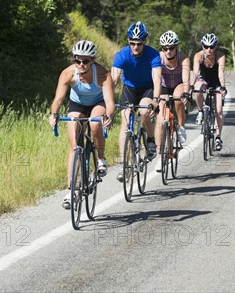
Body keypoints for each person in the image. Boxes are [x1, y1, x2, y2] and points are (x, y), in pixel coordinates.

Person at [49, 40, 115, 209]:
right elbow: (58, 99)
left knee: (94, 125)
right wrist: (54, 114)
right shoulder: (68, 74)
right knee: (74, 146)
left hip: (98, 103)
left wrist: (108, 116)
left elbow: (109, 102)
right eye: (77, 60)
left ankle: (100, 158)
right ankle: (70, 191)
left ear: (92, 60)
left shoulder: (102, 74)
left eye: (85, 61)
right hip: (77, 105)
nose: (81, 64)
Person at [111, 21, 161, 182]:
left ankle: (151, 139)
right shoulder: (121, 55)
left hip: (147, 88)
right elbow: (113, 79)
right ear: (128, 41)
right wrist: (107, 101)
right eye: (132, 43)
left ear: (145, 41)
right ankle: (123, 165)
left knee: (145, 111)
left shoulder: (153, 54)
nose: (135, 47)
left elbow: (157, 78)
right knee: (125, 123)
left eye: (139, 44)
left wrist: (155, 100)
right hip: (129, 89)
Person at [154, 30, 190, 171]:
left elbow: (186, 78)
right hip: (163, 86)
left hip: (178, 84)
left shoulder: (183, 58)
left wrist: (186, 93)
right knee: (160, 120)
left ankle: (181, 126)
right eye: (165, 48)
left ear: (176, 47)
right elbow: (156, 78)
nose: (168, 51)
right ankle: (159, 156)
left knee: (178, 99)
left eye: (171, 48)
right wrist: (156, 99)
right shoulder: (158, 58)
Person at [192, 33, 227, 151]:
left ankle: (218, 137)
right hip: (204, 80)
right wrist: (192, 85)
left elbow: (221, 72)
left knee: (218, 110)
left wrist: (222, 87)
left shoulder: (220, 56)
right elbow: (196, 73)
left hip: (216, 82)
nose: (209, 49)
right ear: (202, 46)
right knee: (198, 88)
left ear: (215, 47)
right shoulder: (198, 56)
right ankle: (201, 111)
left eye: (212, 47)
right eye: (206, 46)